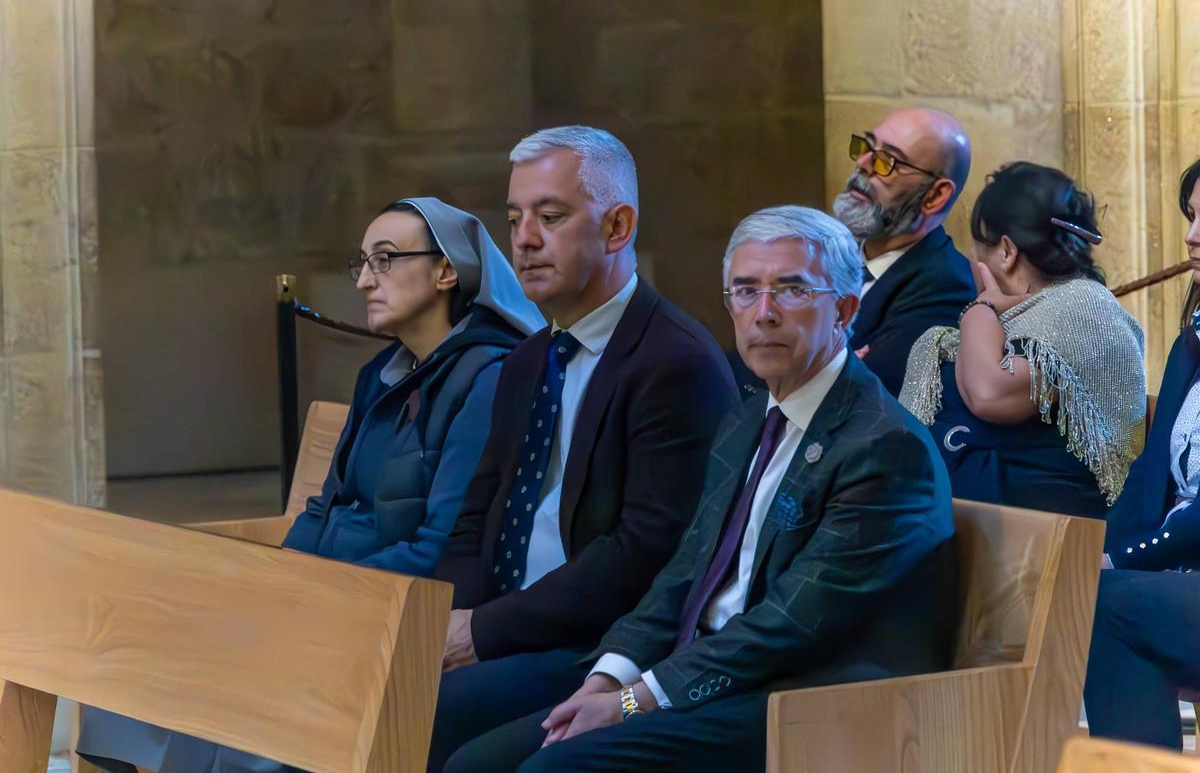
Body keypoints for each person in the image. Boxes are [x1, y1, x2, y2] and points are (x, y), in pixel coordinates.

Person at [441, 205, 959, 773]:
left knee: (551, 769)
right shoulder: (748, 417)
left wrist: (632, 701)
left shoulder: (882, 445)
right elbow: (684, 574)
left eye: (791, 290)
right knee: (476, 760)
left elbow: (790, 625)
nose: (763, 314)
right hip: (708, 664)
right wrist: (607, 677)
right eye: (745, 291)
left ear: (844, 308)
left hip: (808, 697)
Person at [77, 198, 545, 773]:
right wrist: (279, 584)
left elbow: (443, 547)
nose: (366, 279)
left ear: (448, 271)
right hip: (322, 594)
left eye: (386, 259)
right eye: (362, 263)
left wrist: (311, 598)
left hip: (386, 609)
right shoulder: (380, 374)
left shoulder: (487, 379)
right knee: (140, 643)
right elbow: (326, 504)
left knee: (230, 686)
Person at [428, 126, 738, 769]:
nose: (524, 239)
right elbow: (476, 520)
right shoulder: (529, 358)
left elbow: (641, 553)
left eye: (551, 216)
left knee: (428, 714)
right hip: (509, 626)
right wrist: (442, 622)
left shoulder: (673, 361)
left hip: (596, 647)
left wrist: (480, 634)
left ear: (617, 227)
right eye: (514, 218)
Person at [899, 162, 1146, 518]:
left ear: (1005, 251)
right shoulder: (1028, 313)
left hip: (1043, 543)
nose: (971, 257)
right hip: (971, 529)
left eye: (977, 245)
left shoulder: (1081, 307)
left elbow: (990, 394)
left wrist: (980, 309)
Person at [1084, 159, 1200, 749]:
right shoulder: (1194, 339)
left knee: (1107, 609)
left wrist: (1125, 559)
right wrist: (1094, 552)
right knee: (1088, 596)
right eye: (1190, 216)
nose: (1191, 237)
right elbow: (1153, 472)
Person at [830, 107, 977, 396]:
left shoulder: (946, 286)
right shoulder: (820, 257)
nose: (862, 164)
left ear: (935, 195)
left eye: (887, 160)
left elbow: (861, 398)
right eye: (866, 147)